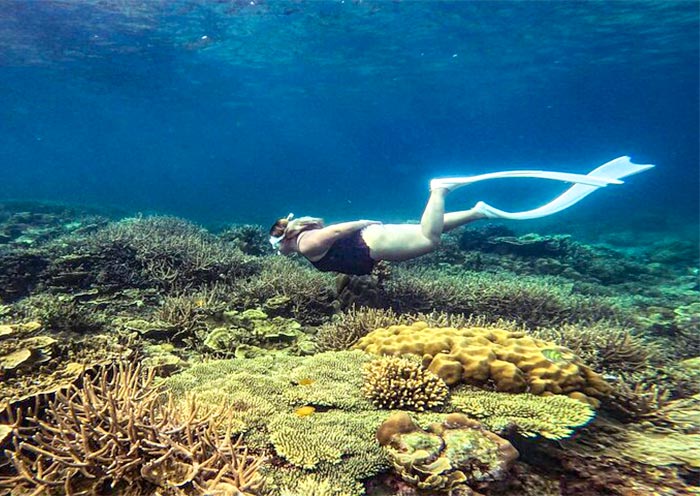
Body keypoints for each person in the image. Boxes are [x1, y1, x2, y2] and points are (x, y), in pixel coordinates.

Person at [269, 156, 654, 276]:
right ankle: (476, 212)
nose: (278, 252)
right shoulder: (304, 244)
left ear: (286, 239)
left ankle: (439, 189)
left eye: (276, 246)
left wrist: (365, 224)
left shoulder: (306, 244)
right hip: (373, 244)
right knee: (427, 231)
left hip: (373, 243)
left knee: (428, 239)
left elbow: (340, 228)